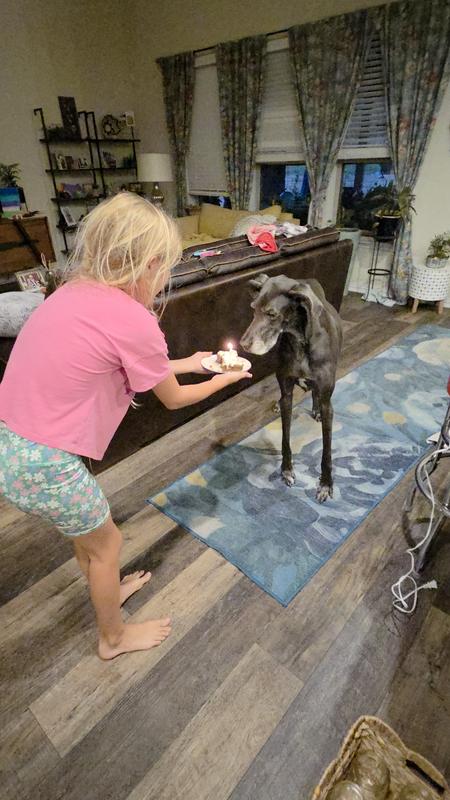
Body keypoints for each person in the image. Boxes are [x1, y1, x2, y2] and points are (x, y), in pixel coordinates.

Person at [0, 193, 251, 659]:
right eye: (164, 270)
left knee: (86, 533)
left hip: (11, 445)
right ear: (150, 263)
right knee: (107, 542)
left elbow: (131, 364)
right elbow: (173, 399)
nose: (164, 281)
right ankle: (112, 638)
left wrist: (193, 361)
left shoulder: (71, 293)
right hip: (46, 462)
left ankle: (107, 589)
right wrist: (226, 379)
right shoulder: (135, 320)